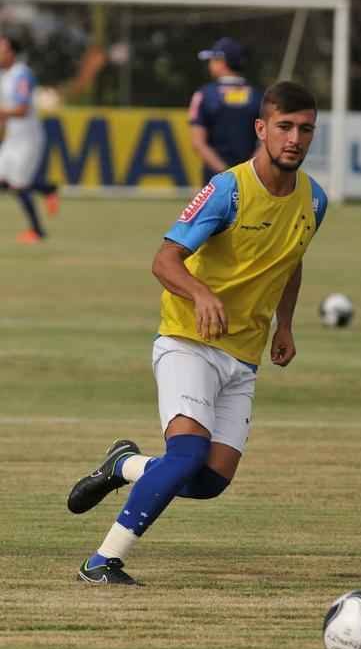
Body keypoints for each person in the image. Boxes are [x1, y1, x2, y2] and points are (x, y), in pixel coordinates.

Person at [67, 80, 328, 585]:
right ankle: (101, 562)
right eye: (284, 127)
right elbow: (165, 260)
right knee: (185, 456)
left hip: (244, 355)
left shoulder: (314, 201)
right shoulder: (228, 189)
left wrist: (286, 324)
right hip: (188, 341)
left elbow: (292, 260)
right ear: (261, 129)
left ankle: (123, 467)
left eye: (305, 129)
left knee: (208, 481)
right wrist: (201, 294)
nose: (295, 138)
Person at [0, 34, 59, 243]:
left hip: (28, 139)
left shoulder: (22, 75)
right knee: (7, 183)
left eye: (2, 49)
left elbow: (22, 110)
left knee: (18, 186)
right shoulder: (3, 76)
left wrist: (3, 114)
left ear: (11, 53)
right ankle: (47, 188)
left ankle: (37, 231)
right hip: (12, 139)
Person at [189, 36, 262, 184]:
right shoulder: (259, 97)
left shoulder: (204, 95)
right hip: (250, 180)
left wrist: (226, 173)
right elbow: (266, 143)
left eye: (212, 59)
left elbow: (198, 142)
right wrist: (246, 173)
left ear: (221, 62)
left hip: (214, 182)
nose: (209, 64)